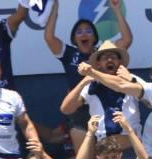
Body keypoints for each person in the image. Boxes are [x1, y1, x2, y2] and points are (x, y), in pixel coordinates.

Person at [43, 0, 133, 150]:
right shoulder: (69, 54)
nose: (83, 33)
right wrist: (54, 11)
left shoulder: (102, 53)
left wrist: (117, 10)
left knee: (108, 153)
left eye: (88, 31)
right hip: (78, 110)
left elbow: (127, 40)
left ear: (95, 37)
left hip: (101, 107)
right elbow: (49, 38)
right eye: (79, 32)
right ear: (75, 39)